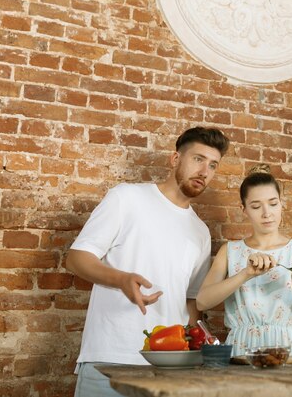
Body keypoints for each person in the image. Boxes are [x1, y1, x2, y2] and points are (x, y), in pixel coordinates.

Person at [66, 127, 229, 397]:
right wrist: (121, 279)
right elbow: (77, 258)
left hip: (170, 369)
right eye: (198, 159)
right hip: (110, 359)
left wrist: (197, 340)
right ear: (175, 159)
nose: (205, 171)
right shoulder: (126, 198)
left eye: (213, 165)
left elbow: (191, 302)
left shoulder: (200, 231)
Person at [196, 164, 292, 357]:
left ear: (281, 204)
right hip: (243, 349)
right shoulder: (230, 251)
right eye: (256, 206)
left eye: (273, 203)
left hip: (291, 349)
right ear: (243, 209)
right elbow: (202, 302)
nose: (266, 213)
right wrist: (245, 274)